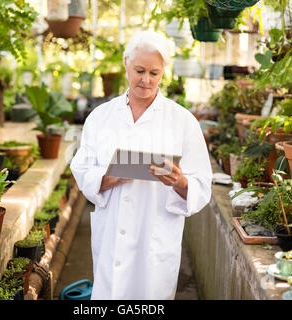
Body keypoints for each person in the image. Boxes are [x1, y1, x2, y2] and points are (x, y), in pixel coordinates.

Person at [70, 30, 213, 300]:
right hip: (112, 237)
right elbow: (82, 168)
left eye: (154, 73)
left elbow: (202, 185)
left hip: (155, 240)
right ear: (126, 63)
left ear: (163, 73)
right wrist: (109, 177)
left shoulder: (182, 121)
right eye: (139, 70)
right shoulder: (101, 117)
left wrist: (180, 182)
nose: (146, 80)